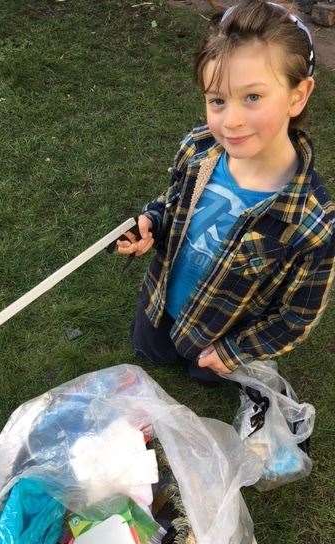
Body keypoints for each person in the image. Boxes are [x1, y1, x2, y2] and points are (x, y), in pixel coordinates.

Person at [117, 0, 334, 385]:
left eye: (252, 97)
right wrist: (151, 222)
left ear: (298, 95)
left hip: (219, 337)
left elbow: (297, 316)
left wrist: (233, 352)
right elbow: (174, 207)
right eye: (217, 100)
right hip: (161, 304)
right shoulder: (196, 149)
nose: (230, 121)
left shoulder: (314, 224)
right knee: (150, 350)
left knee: (202, 377)